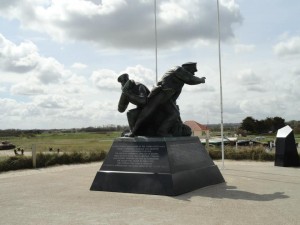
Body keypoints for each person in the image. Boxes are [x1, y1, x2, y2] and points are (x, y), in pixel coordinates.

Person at [129, 62, 206, 137]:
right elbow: (190, 79)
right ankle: (134, 131)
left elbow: (175, 94)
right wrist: (200, 80)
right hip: (160, 94)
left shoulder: (181, 80)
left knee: (174, 113)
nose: (195, 72)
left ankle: (162, 131)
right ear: (187, 68)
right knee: (146, 113)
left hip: (166, 98)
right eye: (194, 69)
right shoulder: (177, 69)